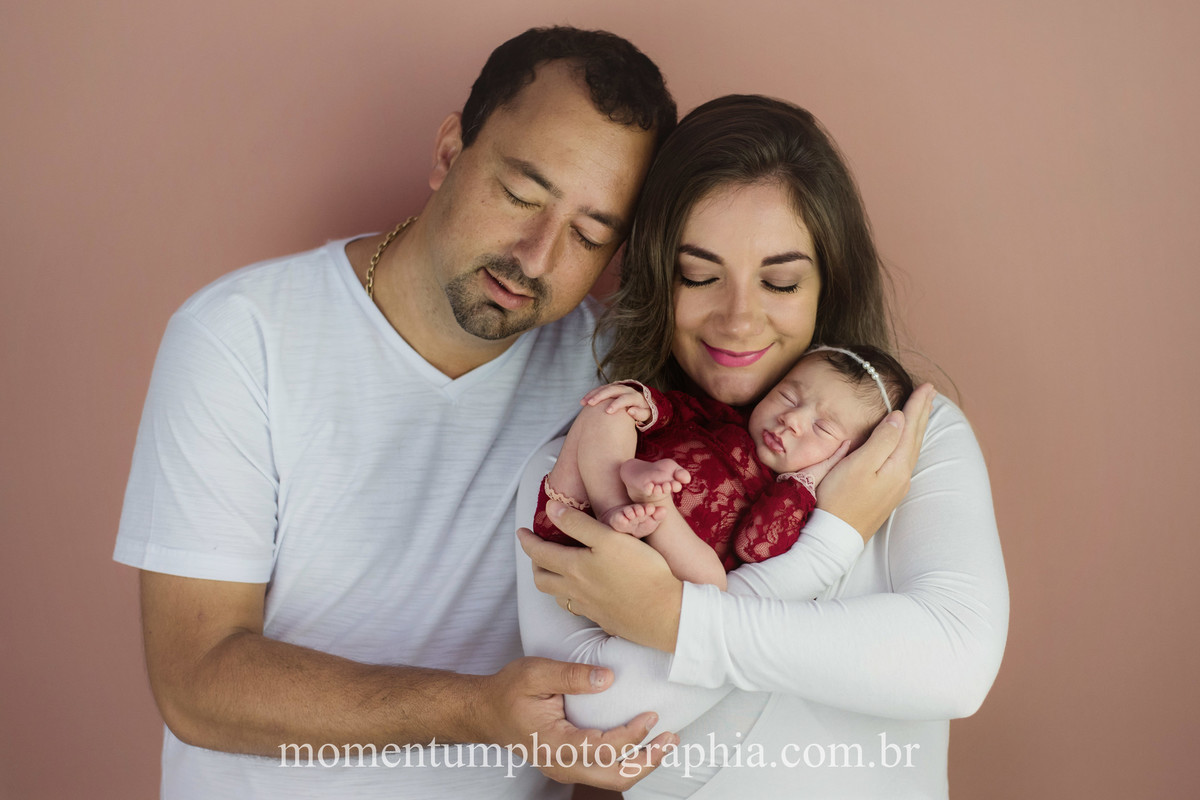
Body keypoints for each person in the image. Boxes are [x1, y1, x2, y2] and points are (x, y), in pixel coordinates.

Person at [112, 26, 681, 799]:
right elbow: (197, 680)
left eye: (588, 234)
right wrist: (477, 711)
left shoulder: (619, 381)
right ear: (449, 151)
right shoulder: (242, 336)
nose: (536, 255)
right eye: (521, 195)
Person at [516, 95, 1009, 797]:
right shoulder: (586, 464)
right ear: (657, 276)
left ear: (827, 283)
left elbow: (955, 666)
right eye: (699, 275)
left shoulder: (904, 440)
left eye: (780, 282)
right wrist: (832, 540)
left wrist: (671, 621)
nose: (739, 320)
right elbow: (594, 716)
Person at [531, 345, 914, 590]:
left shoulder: (790, 500)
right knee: (608, 409)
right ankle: (616, 505)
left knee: (711, 584)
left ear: (847, 458)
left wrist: (806, 480)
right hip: (580, 518)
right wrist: (649, 409)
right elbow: (681, 409)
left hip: (655, 579)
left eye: (823, 428)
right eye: (787, 396)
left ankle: (653, 503)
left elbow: (754, 546)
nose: (793, 419)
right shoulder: (727, 420)